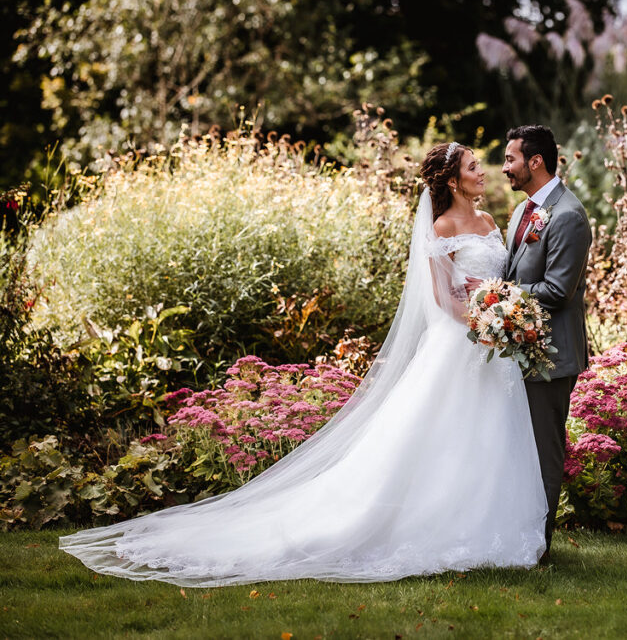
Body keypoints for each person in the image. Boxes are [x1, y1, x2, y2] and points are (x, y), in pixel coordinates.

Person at [59, 142, 548, 586]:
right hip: (461, 341)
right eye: (471, 167)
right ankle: (420, 524)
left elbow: (495, 281)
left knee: (487, 436)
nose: (482, 173)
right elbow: (442, 297)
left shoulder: (487, 223)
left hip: (491, 347)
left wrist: (500, 315)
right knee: (441, 437)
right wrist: (483, 323)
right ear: (449, 180)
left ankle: (484, 526)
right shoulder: (442, 228)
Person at [502, 125, 592, 560]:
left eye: (510, 159)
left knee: (543, 451)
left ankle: (538, 547)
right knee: (517, 449)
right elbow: (513, 270)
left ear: (535, 162)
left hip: (552, 355)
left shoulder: (569, 215)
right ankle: (512, 535)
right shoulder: (524, 212)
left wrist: (497, 298)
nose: (505, 168)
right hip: (519, 350)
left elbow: (558, 290)